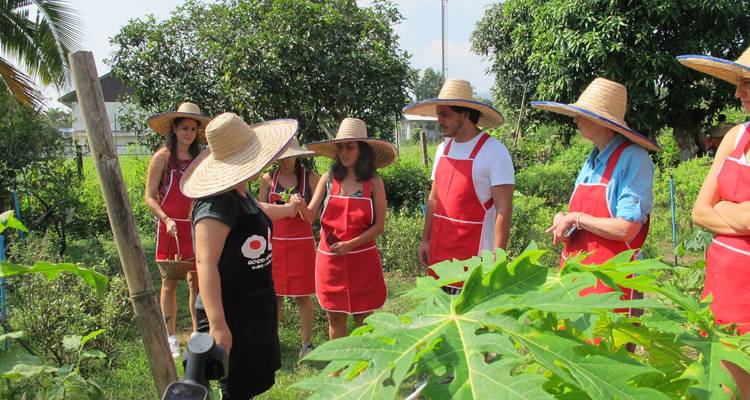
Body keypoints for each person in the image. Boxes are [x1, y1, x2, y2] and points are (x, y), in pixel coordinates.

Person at [180, 113, 300, 399]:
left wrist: (287, 210)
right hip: (229, 310)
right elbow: (205, 264)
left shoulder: (239, 192)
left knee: (249, 384)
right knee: (234, 387)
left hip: (254, 304)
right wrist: (219, 324)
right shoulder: (214, 205)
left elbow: (256, 210)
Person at [533, 78, 660, 319]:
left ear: (603, 122)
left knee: (608, 350)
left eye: (582, 115)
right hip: (577, 278)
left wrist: (576, 218)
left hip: (612, 282)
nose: (575, 120)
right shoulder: (592, 159)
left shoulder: (634, 159)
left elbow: (626, 229)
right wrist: (564, 219)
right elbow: (582, 219)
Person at [403, 79, 514, 291]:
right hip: (440, 255)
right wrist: (425, 240)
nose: (439, 120)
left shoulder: (493, 151)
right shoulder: (442, 149)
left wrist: (497, 259)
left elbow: (504, 208)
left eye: (445, 114)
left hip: (474, 259)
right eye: (438, 113)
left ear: (464, 114)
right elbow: (434, 199)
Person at [299, 118, 396, 339]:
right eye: (340, 147)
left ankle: (362, 368)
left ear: (362, 149)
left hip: (362, 260)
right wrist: (299, 205)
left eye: (350, 146)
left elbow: (379, 226)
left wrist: (349, 245)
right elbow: (310, 216)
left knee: (364, 320)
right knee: (335, 317)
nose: (344, 152)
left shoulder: (374, 183)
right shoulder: (328, 179)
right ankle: (337, 371)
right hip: (331, 260)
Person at [679, 47, 750, 334]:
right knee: (720, 374)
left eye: (746, 83)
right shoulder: (736, 136)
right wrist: (740, 214)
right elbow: (699, 211)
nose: (737, 93)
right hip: (721, 283)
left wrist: (722, 207)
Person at [144, 102, 210, 359]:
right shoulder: (162, 157)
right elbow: (149, 197)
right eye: (184, 128)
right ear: (174, 129)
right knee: (169, 282)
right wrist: (166, 219)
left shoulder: (200, 159)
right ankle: (170, 336)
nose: (188, 133)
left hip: (195, 226)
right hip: (169, 227)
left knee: (197, 281)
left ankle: (196, 333)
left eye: (193, 129)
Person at [259, 140, 320, 357]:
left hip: (301, 244)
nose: (285, 160)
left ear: (297, 156)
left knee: (303, 295)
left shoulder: (310, 178)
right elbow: (262, 213)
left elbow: (313, 216)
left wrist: (300, 206)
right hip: (275, 243)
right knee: (274, 295)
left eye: (289, 155)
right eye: (281, 155)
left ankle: (306, 344)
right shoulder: (268, 179)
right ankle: (272, 340)